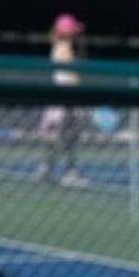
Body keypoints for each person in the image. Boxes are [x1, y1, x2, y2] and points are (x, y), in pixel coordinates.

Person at [37, 13, 88, 186]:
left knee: (55, 136)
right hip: (66, 98)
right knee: (69, 138)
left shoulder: (58, 47)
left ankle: (47, 168)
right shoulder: (65, 48)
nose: (77, 35)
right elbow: (70, 77)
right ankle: (69, 173)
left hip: (58, 98)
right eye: (74, 31)